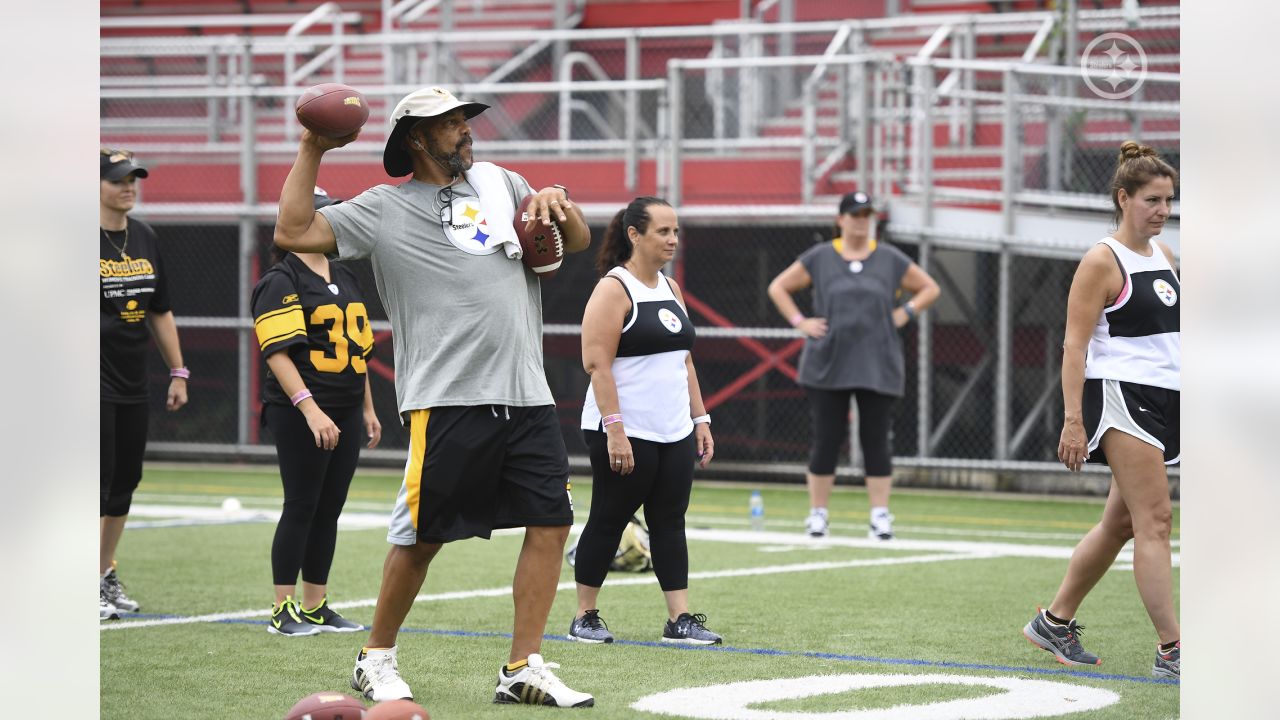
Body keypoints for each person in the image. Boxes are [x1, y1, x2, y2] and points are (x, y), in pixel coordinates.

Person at [272, 86, 595, 707]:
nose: (464, 130)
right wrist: (313, 146)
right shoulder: (382, 209)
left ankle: (523, 665)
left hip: (526, 394)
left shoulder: (502, 180)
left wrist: (560, 205)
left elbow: (574, 241)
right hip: (447, 398)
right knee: (422, 539)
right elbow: (292, 230)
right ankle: (375, 656)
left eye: (463, 119)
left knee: (552, 524)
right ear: (416, 139)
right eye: (448, 124)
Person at [1021, 141, 1180, 679]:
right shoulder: (1100, 260)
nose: (1162, 211)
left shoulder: (1164, 256)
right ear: (1123, 197)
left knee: (1121, 525)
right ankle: (1173, 651)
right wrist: (1073, 419)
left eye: (1169, 201)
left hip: (1164, 398)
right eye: (1152, 200)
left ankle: (1054, 621)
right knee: (1156, 520)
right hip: (1120, 396)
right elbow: (1074, 347)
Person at [569, 197, 721, 646]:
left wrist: (700, 418)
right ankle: (585, 615)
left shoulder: (671, 289)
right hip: (624, 430)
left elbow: (684, 362)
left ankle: (680, 621)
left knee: (670, 520)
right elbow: (597, 364)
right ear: (634, 235)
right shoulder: (614, 288)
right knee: (609, 517)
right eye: (663, 232)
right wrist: (614, 429)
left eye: (675, 231)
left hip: (673, 428)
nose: (673, 240)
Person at [767, 191, 939, 540]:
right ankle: (818, 515)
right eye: (855, 214)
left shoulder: (889, 258)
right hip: (828, 360)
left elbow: (928, 288)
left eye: (867, 215)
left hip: (877, 361)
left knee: (876, 439)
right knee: (826, 438)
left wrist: (905, 312)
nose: (862, 221)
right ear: (841, 219)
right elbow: (779, 287)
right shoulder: (820, 257)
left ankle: (880, 516)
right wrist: (801, 321)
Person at [252, 187, 382, 637]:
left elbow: (357, 349)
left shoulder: (345, 276)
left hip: (344, 406)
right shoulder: (280, 279)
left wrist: (366, 407)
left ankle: (315, 604)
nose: (329, 226)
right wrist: (310, 410)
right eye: (321, 218)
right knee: (302, 505)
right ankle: (282, 608)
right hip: (301, 410)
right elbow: (278, 354)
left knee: (330, 509)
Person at [100, 148, 190, 620]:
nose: (128, 186)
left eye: (133, 178)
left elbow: (159, 309)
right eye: (117, 180)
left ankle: (101, 573)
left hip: (132, 378)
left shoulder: (145, 236)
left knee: (123, 485)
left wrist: (178, 370)